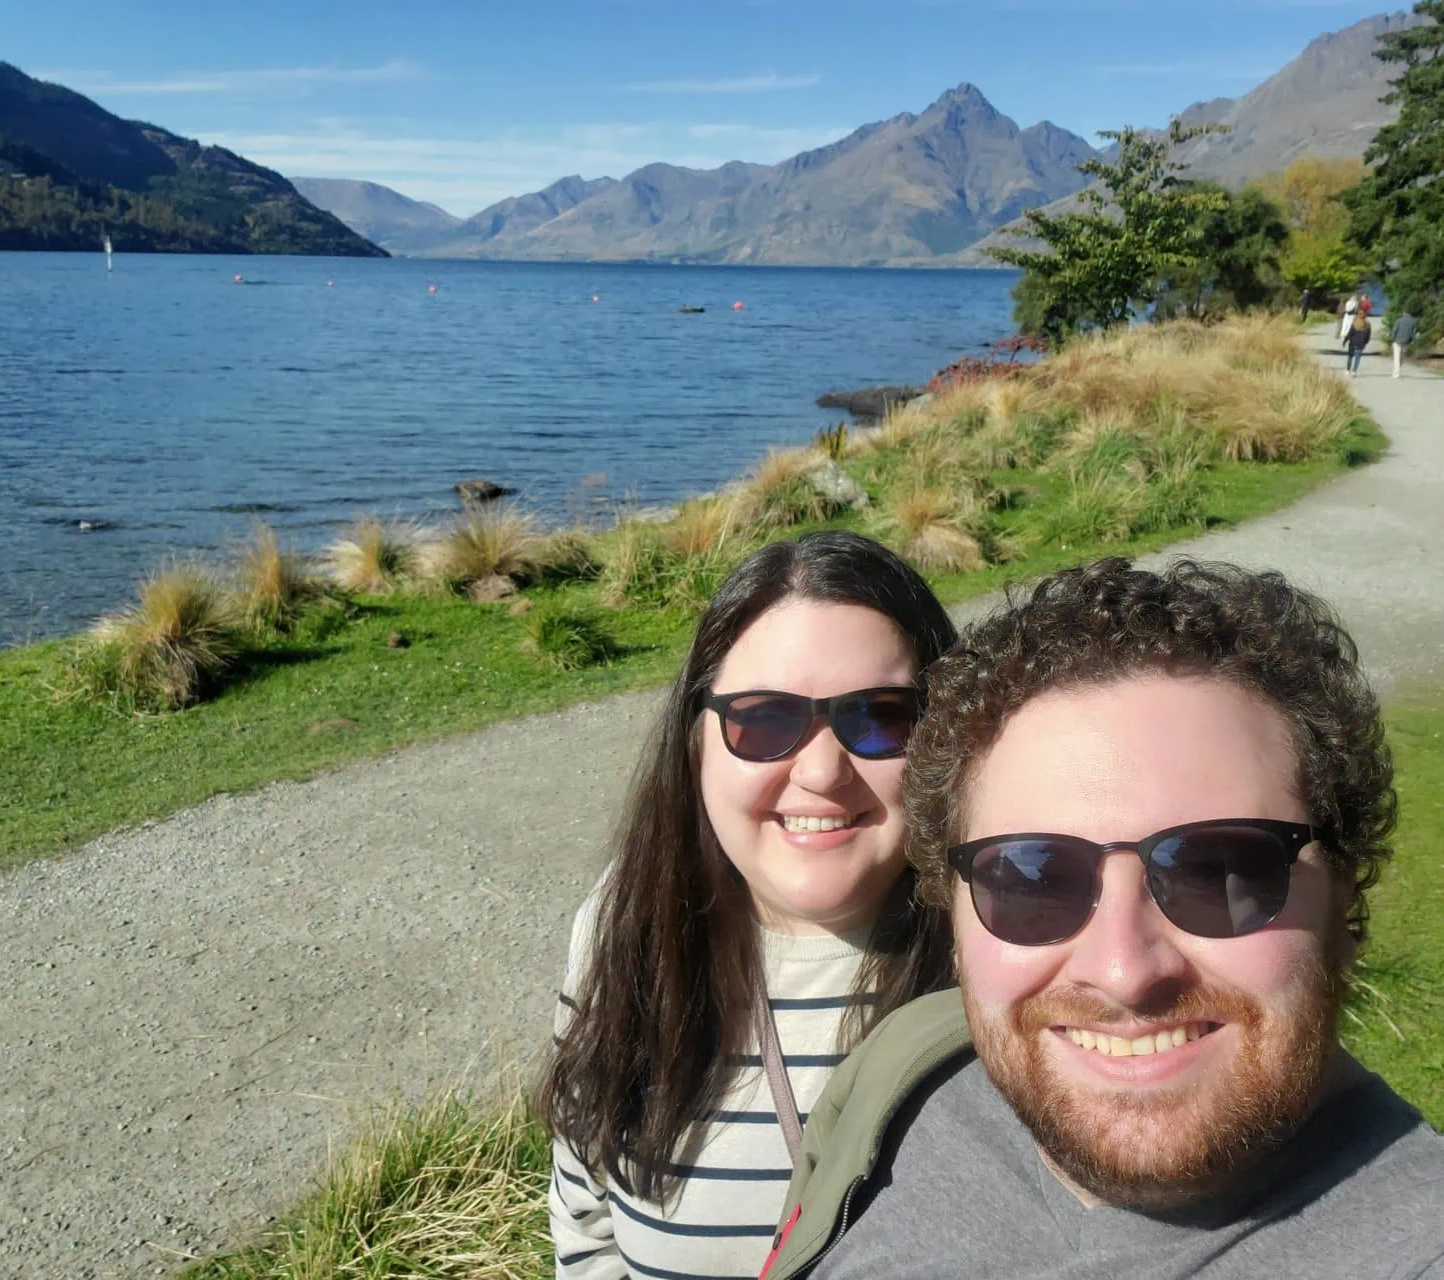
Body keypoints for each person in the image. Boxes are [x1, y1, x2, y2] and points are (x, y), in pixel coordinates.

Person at [761, 559, 1444, 1280]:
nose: (1124, 971)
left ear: (1346, 899)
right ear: (953, 918)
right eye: (1031, 879)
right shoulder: (903, 1077)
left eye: (1220, 872)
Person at [540, 531, 957, 1279]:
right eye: (765, 719)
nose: (823, 773)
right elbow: (585, 1218)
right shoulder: (623, 928)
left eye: (882, 717)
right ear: (697, 740)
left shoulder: (1008, 953)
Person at [1391, 310, 1420, 379]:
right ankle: (1397, 370)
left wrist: (1392, 339)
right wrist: (1412, 340)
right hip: (1406, 341)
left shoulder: (1399, 320)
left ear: (1404, 313)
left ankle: (1396, 373)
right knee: (1401, 357)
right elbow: (1414, 333)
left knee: (1396, 357)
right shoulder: (1414, 321)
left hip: (1397, 341)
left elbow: (1395, 330)